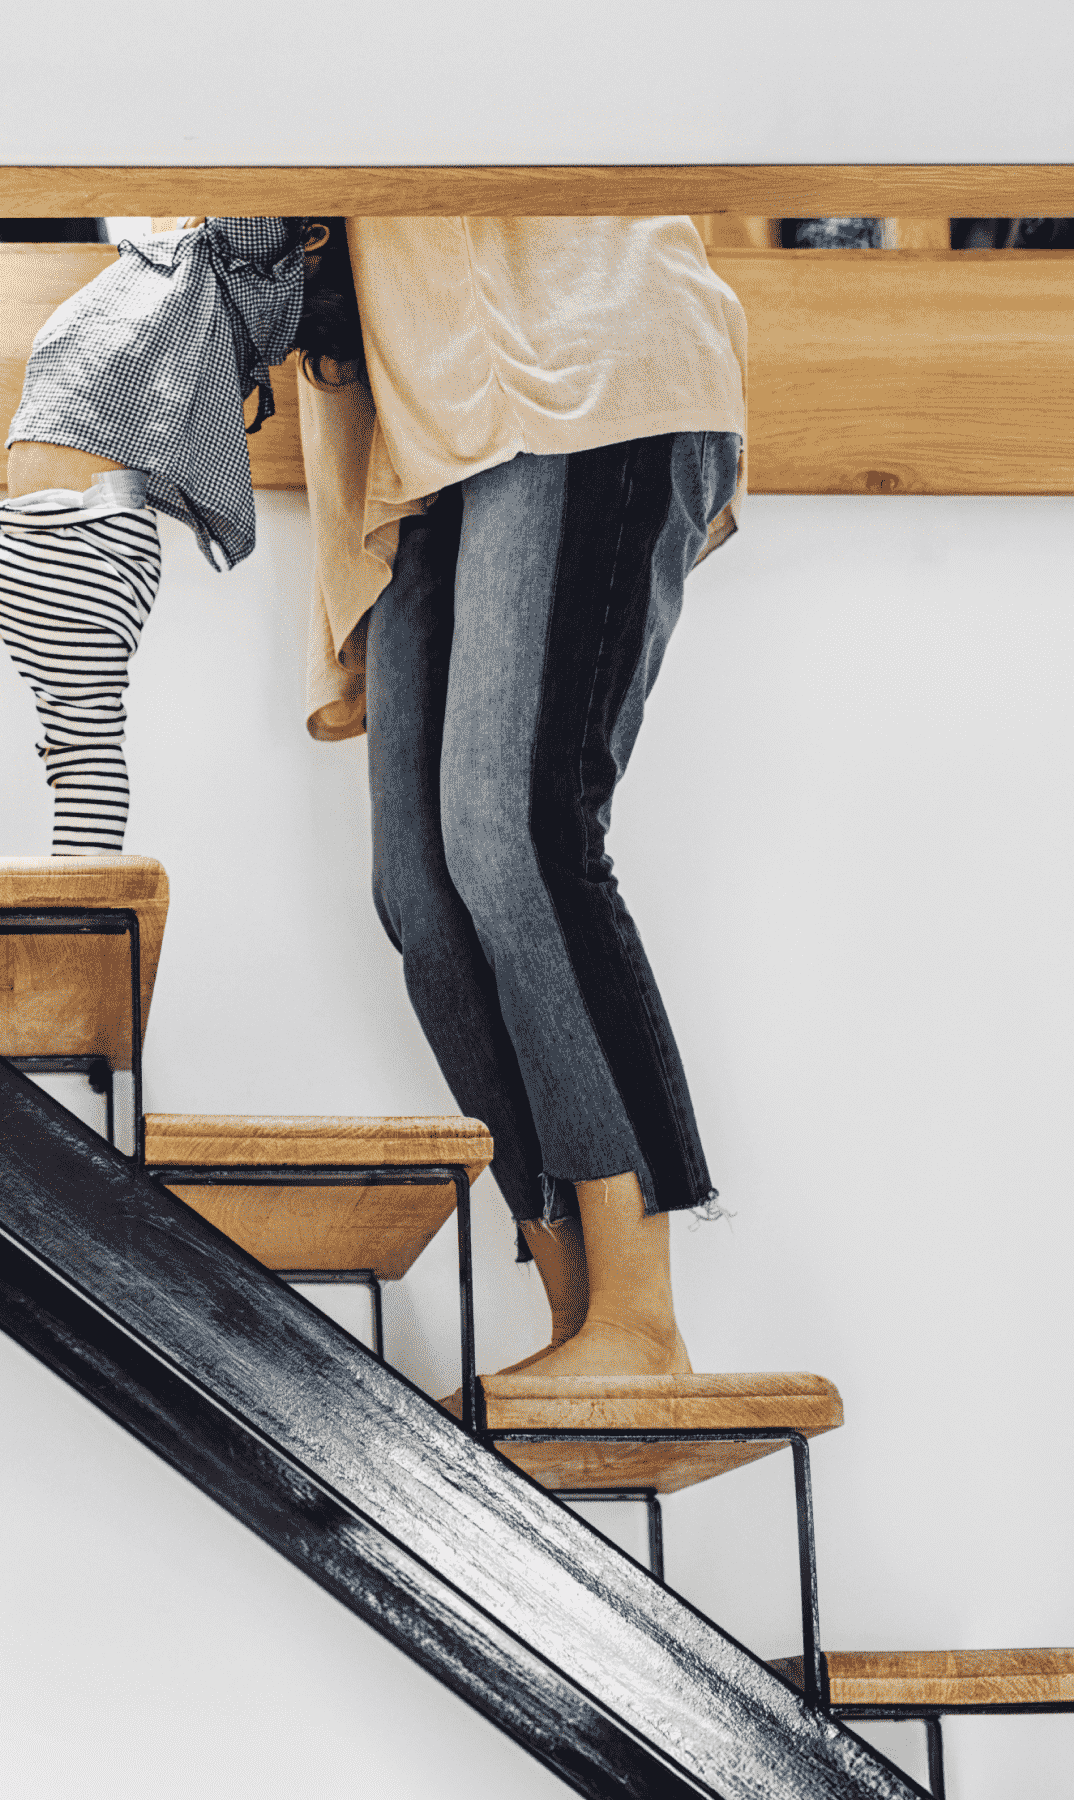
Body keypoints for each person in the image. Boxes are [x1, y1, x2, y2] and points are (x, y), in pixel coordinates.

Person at [295, 218, 749, 1382]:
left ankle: (638, 1320)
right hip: (423, 431)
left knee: (516, 841)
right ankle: (577, 1316)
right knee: (423, 899)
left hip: (581, 378)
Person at [0, 217, 314, 854]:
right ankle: (83, 895)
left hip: (73, 541)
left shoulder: (224, 263)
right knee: (83, 745)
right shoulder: (185, 272)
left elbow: (260, 205)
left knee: (84, 748)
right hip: (56, 539)